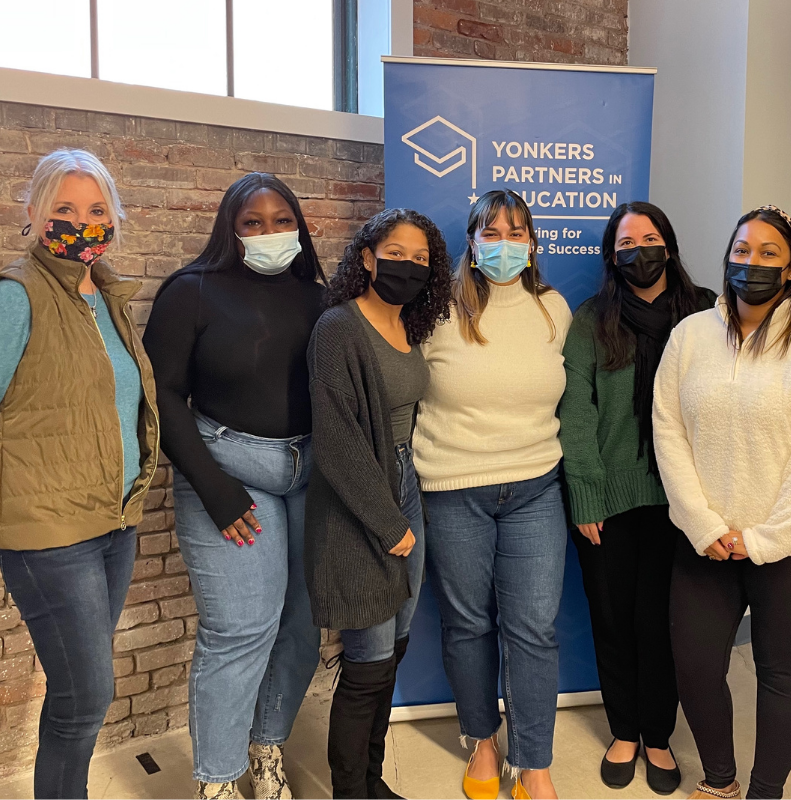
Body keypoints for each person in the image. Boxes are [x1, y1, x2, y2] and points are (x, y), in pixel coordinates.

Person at [652, 206, 791, 800]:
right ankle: (720, 780)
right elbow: (668, 429)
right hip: (705, 540)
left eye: (769, 253)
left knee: (780, 672)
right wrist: (701, 523)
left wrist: (763, 539)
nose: (752, 262)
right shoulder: (690, 336)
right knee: (695, 667)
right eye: (742, 250)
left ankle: (766, 792)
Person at [143, 173, 326, 800]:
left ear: (299, 227)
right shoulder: (190, 291)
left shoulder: (318, 296)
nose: (270, 232)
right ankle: (217, 782)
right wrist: (214, 490)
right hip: (226, 473)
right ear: (231, 228)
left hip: (309, 477)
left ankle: (266, 746)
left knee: (302, 628)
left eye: (282, 220)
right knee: (241, 631)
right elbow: (162, 394)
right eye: (253, 222)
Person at [0, 149, 160, 799]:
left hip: (114, 521)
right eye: (64, 208)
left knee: (76, 696)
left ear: (115, 217)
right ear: (35, 213)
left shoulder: (107, 296)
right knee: (87, 696)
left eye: (96, 209)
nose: (82, 222)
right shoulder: (17, 295)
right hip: (49, 530)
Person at [413, 189, 573, 800]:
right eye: (492, 233)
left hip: (536, 488)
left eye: (516, 233)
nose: (504, 245)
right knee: (469, 625)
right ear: (472, 242)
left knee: (533, 629)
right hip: (454, 489)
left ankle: (534, 764)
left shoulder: (553, 309)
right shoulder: (436, 310)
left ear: (532, 244)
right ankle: (481, 742)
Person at [558, 201, 714, 794]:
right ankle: (624, 730)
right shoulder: (591, 319)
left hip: (685, 502)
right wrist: (586, 494)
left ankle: (658, 735)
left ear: (668, 246)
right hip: (609, 500)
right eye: (626, 243)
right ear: (611, 255)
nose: (639, 251)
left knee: (664, 625)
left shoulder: (705, 312)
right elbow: (576, 410)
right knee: (613, 619)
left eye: (649, 239)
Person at [305, 207, 452, 799]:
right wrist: (389, 524)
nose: (407, 266)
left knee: (393, 650)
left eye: (420, 259)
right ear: (367, 257)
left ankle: (372, 779)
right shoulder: (338, 328)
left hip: (405, 482)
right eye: (395, 253)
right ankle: (351, 791)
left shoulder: (409, 328)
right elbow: (337, 440)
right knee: (366, 661)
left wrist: (405, 506)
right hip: (360, 503)